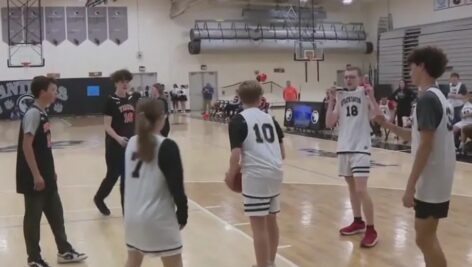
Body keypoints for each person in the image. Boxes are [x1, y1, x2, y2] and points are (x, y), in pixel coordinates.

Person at [374, 46, 455, 267]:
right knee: (426, 237)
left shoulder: (427, 100)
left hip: (432, 179)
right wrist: (385, 123)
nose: (409, 72)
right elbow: (416, 137)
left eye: (411, 66)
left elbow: (425, 147)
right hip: (439, 177)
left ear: (421, 66)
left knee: (424, 238)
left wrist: (410, 187)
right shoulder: (439, 96)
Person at [16, 76, 87, 267]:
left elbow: (44, 148)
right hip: (34, 177)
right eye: (53, 90)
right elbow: (27, 146)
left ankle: (64, 251)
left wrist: (51, 171)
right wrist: (36, 175)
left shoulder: (42, 113)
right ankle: (34, 258)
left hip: (46, 175)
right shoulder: (32, 114)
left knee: (56, 214)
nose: (56, 93)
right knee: (33, 219)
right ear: (42, 92)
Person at [225, 80, 285, 267]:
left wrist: (230, 175)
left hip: (256, 174)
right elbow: (282, 153)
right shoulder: (271, 119)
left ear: (239, 98)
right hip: (275, 172)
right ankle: (270, 262)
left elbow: (235, 154)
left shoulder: (238, 120)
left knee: (258, 227)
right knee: (271, 220)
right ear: (261, 99)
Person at [124, 98, 187, 267]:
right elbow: (177, 187)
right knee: (173, 262)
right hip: (157, 218)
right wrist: (183, 213)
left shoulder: (130, 143)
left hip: (132, 217)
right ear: (161, 118)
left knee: (133, 261)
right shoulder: (166, 145)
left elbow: (124, 185)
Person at [325, 66, 379, 248]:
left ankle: (371, 229)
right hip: (344, 146)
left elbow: (378, 115)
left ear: (360, 78)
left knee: (361, 189)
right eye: (346, 77)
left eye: (352, 77)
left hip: (361, 147)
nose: (348, 80)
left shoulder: (364, 93)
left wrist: (371, 95)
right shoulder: (340, 96)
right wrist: (331, 101)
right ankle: (358, 221)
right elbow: (329, 122)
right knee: (352, 187)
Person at [94, 69, 139, 216]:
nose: (125, 84)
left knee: (127, 177)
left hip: (130, 145)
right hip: (115, 145)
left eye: (127, 82)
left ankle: (127, 212)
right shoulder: (110, 100)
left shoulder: (132, 99)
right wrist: (119, 138)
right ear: (116, 83)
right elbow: (107, 126)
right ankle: (99, 198)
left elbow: (134, 121)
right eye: (122, 82)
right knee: (113, 176)